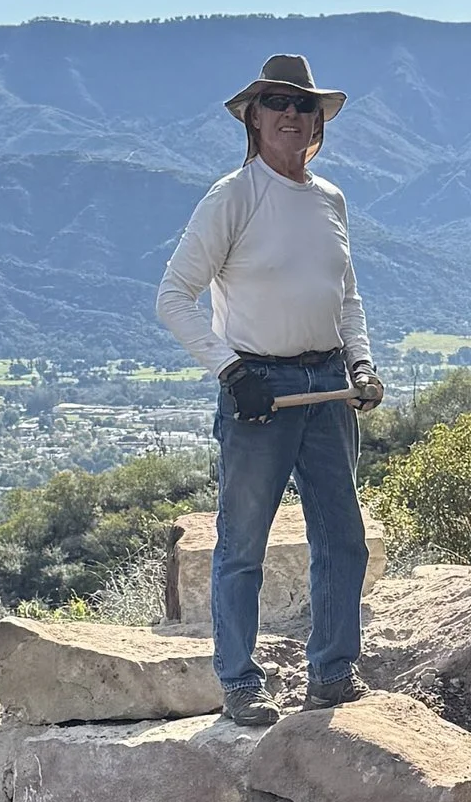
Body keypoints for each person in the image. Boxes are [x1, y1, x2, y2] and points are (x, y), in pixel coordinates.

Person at [155, 50, 384, 728]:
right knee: (242, 546)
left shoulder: (332, 200)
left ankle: (333, 672)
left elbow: (346, 296)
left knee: (343, 538)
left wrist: (362, 366)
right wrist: (231, 371)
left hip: (327, 387)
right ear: (253, 117)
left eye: (303, 104)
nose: (291, 114)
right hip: (260, 388)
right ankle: (239, 683)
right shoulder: (233, 196)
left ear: (318, 120)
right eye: (278, 103)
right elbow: (173, 297)